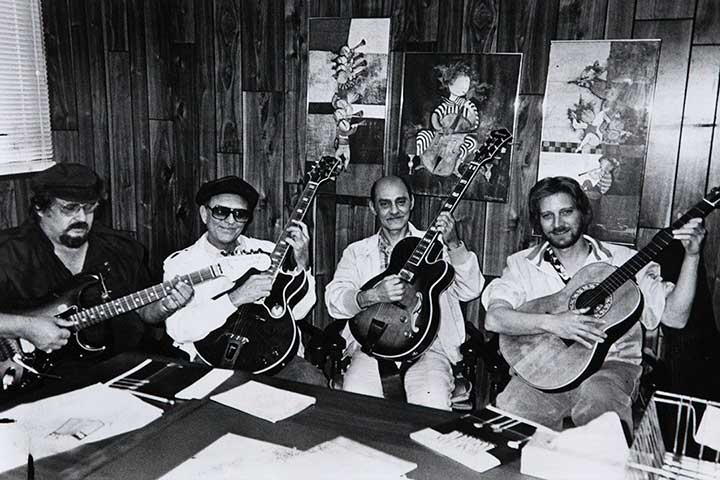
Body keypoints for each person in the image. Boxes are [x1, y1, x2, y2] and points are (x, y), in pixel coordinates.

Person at [482, 176, 706, 432]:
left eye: (566, 212)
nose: (558, 224)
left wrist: (692, 256)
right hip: (542, 371)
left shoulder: (623, 260)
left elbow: (675, 318)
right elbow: (494, 318)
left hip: (610, 369)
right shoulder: (522, 264)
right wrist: (552, 323)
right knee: (510, 414)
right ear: (538, 221)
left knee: (600, 410)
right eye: (547, 216)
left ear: (583, 212)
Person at [0, 163, 192, 368]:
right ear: (40, 208)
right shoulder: (8, 254)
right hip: (35, 373)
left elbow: (144, 312)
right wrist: (24, 327)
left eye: (89, 208)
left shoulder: (122, 250)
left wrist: (163, 307)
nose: (82, 218)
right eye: (69, 208)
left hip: (121, 366)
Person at [325, 175, 484, 410]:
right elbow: (334, 300)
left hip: (429, 349)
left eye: (400, 202)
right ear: (372, 207)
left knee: (430, 403)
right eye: (385, 204)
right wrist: (373, 295)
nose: (394, 211)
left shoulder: (438, 248)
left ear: (412, 202)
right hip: (371, 348)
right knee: (358, 405)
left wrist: (454, 244)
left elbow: (472, 289)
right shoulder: (356, 252)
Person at [163, 176, 326, 386]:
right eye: (221, 211)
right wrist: (235, 298)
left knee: (313, 383)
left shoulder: (268, 251)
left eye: (240, 214)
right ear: (204, 214)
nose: (230, 221)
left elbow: (300, 311)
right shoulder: (182, 264)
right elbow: (178, 329)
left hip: (273, 357)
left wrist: (302, 262)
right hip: (210, 359)